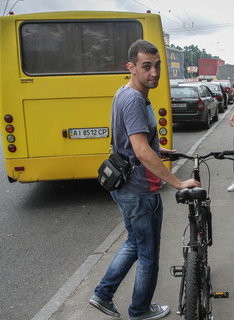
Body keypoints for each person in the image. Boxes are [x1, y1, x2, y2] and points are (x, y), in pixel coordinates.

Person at [89, 40, 199, 320]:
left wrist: (157, 149)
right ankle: (139, 310)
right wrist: (177, 182)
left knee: (134, 244)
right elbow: (139, 149)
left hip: (125, 185)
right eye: (146, 66)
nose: (154, 72)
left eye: (157, 65)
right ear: (132, 67)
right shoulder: (136, 100)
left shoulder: (123, 93)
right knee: (148, 254)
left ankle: (103, 294)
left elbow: (130, 142)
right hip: (139, 189)